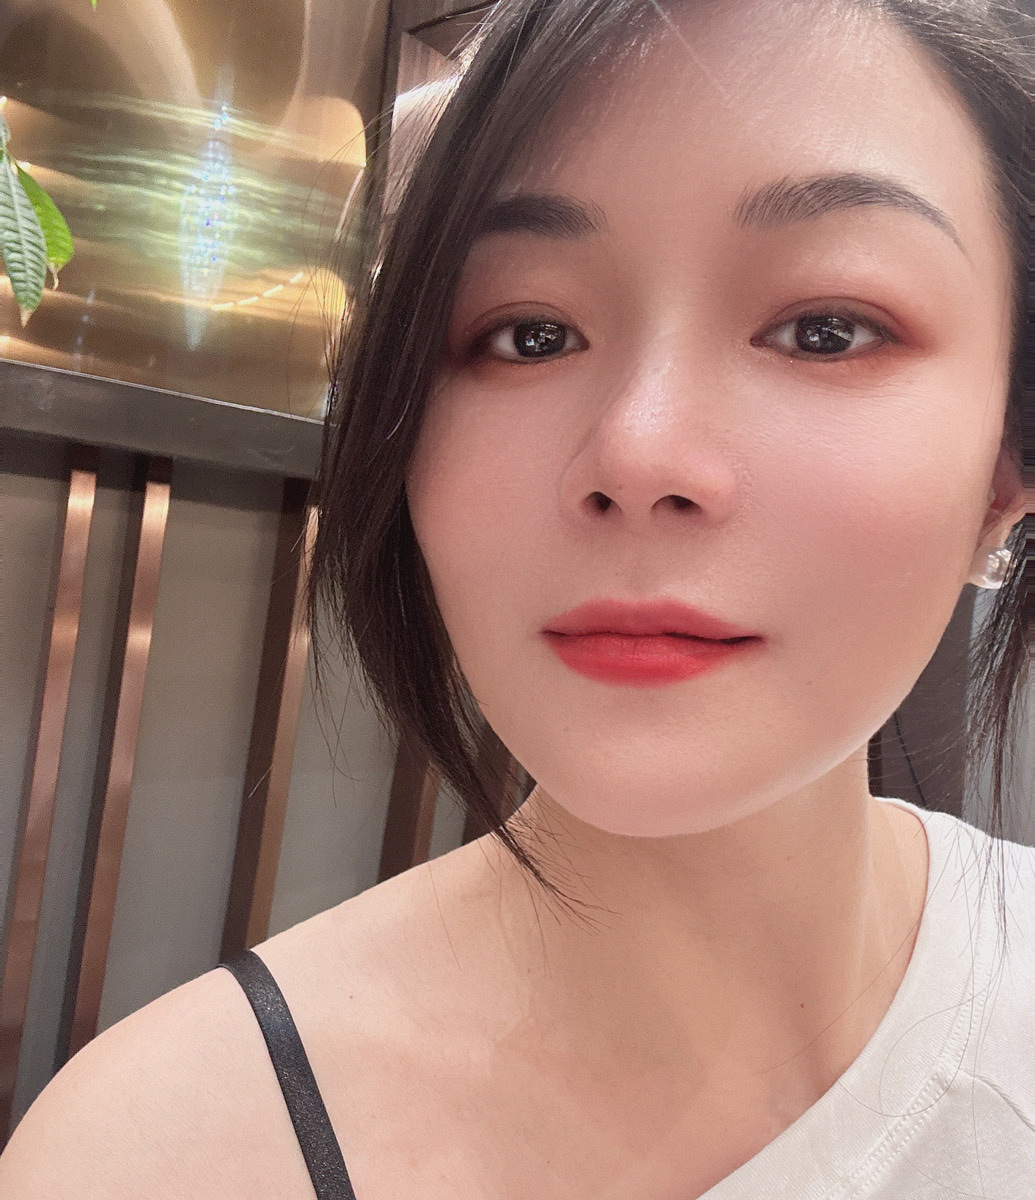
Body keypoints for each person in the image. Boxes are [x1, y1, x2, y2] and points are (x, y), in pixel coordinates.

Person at [1, 0, 1032, 1196]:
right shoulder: (155, 1160)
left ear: (1008, 462)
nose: (636, 454)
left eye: (825, 330)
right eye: (531, 334)